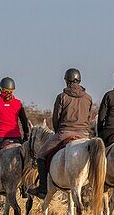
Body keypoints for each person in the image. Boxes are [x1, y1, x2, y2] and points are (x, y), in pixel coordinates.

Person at [29, 68, 95, 198]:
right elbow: (89, 117)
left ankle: (42, 189)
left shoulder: (62, 97)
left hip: (65, 132)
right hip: (84, 134)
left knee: (41, 155)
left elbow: (56, 118)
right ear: (79, 80)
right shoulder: (88, 98)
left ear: (66, 81)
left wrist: (57, 130)